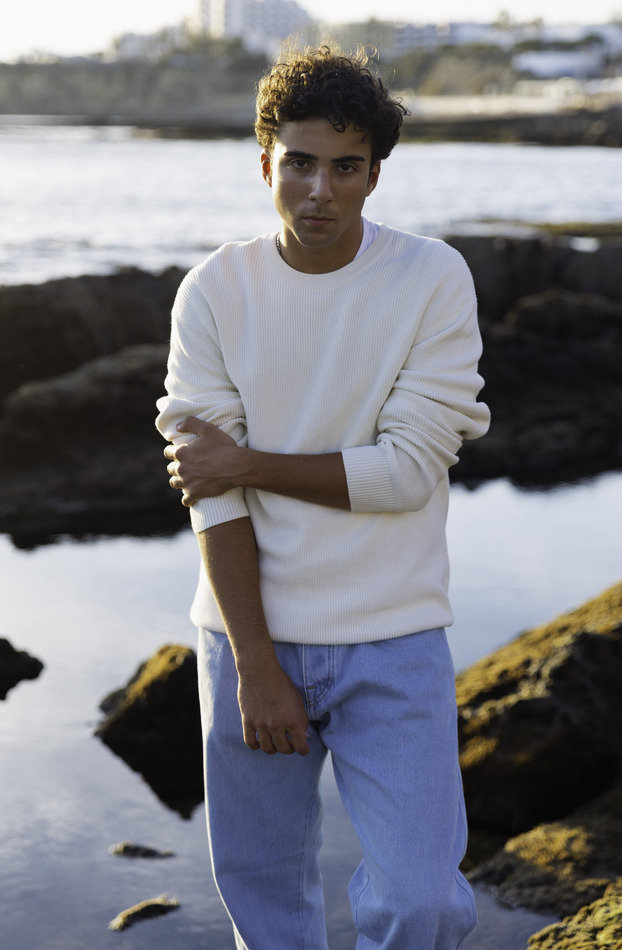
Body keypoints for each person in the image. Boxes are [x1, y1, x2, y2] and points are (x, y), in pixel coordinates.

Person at [155, 44, 490, 950]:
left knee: (421, 903)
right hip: (247, 636)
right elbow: (212, 497)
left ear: (374, 176)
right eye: (299, 163)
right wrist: (257, 664)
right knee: (266, 908)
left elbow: (404, 473)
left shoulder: (430, 278)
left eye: (346, 167)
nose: (319, 191)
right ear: (265, 163)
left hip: (395, 635)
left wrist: (246, 462)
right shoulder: (213, 291)